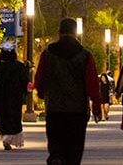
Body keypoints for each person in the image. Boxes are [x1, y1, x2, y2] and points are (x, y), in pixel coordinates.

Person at [34, 17, 102, 165]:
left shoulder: (48, 53)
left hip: (54, 108)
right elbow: (92, 84)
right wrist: (97, 107)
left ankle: (56, 157)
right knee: (75, 148)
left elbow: (39, 79)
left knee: (56, 143)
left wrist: (41, 93)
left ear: (59, 32)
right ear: (75, 33)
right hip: (77, 110)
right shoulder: (85, 55)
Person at [0, 42, 29, 150]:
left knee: (1, 117)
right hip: (14, 97)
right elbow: (25, 81)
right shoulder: (19, 66)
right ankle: (10, 138)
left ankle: (4, 137)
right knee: (14, 118)